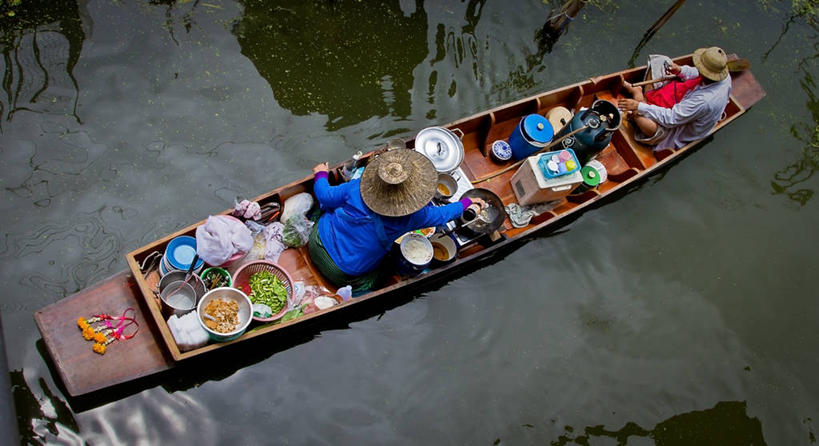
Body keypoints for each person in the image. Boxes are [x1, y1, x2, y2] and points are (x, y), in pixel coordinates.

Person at [308, 149, 484, 292]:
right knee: (386, 268)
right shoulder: (412, 217)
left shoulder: (357, 187)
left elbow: (325, 195)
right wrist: (467, 203)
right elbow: (442, 214)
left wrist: (321, 175)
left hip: (315, 241)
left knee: (329, 208)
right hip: (339, 272)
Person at [617, 46, 732, 152]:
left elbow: (671, 119)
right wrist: (680, 71)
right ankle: (641, 100)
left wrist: (639, 106)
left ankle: (638, 94)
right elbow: (696, 72)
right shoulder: (724, 76)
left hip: (676, 128)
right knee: (661, 61)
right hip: (682, 101)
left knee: (643, 119)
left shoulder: (704, 101)